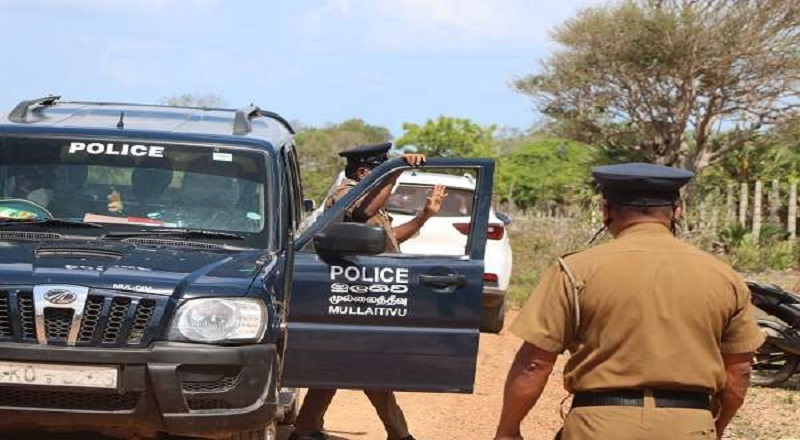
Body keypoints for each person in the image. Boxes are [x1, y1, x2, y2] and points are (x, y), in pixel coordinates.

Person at [494, 163, 766, 440]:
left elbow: (534, 364)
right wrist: (716, 428)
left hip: (597, 426)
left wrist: (508, 431)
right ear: (677, 210)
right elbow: (739, 370)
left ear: (606, 211)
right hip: (689, 425)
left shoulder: (574, 271)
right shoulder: (723, 276)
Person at [290, 142, 448, 440]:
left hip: (368, 293)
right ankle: (399, 434)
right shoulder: (345, 193)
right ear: (364, 172)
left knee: (342, 363)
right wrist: (394, 173)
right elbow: (362, 214)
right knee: (372, 365)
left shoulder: (368, 197)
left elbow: (388, 238)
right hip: (350, 293)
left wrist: (424, 215)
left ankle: (305, 429)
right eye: (380, 169)